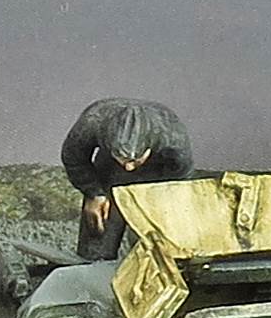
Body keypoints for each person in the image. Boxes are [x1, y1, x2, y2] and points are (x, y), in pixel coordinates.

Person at [60, 98, 193, 260]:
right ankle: (93, 262)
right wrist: (94, 193)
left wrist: (161, 209)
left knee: (152, 245)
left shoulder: (173, 139)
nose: (128, 167)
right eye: (123, 159)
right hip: (109, 169)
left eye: (134, 161)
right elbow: (74, 157)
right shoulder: (93, 121)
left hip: (156, 174)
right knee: (98, 227)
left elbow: (180, 180)